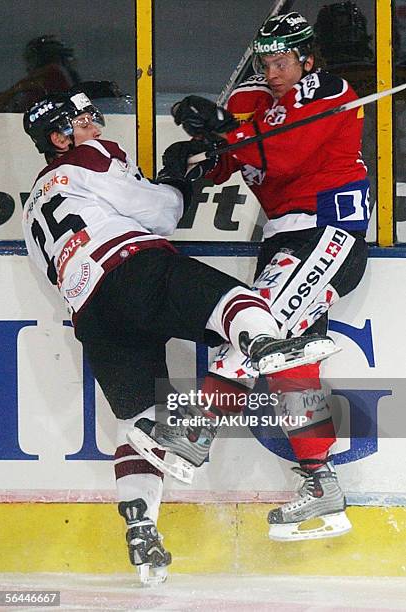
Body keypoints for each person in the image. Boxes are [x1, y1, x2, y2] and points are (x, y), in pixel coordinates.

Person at [21, 91, 337, 583]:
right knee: (238, 301)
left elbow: (51, 272)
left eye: (92, 118)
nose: (95, 128)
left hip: (91, 315)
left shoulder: (30, 211)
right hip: (132, 269)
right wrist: (178, 182)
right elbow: (162, 213)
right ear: (58, 139)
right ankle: (268, 347)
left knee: (143, 427)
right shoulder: (91, 156)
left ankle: (142, 526)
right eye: (81, 123)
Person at [170, 11, 370, 541]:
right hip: (286, 239)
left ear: (305, 58)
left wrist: (225, 134)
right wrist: (195, 157)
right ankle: (321, 484)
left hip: (327, 231)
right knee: (289, 368)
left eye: (282, 60)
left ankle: (197, 430)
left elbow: (277, 155)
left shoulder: (327, 89)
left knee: (252, 328)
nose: (273, 70)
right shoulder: (254, 104)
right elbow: (229, 160)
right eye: (266, 61)